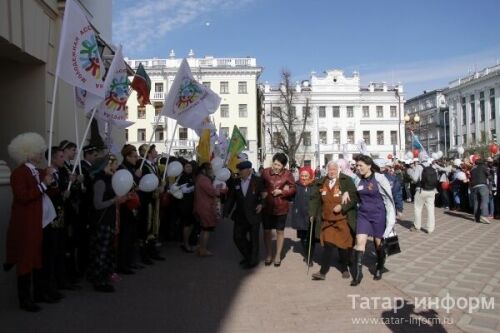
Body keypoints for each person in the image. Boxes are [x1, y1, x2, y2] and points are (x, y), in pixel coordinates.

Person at [4, 132, 54, 312]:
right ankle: (24, 299)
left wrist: (52, 179)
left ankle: (39, 293)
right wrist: (44, 184)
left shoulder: (37, 171)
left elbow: (48, 191)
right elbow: (23, 196)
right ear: (27, 153)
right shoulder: (19, 173)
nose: (41, 154)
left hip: (38, 220)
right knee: (26, 259)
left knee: (37, 258)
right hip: (26, 222)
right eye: (38, 151)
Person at [349, 155, 395, 286]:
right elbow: (354, 194)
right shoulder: (357, 179)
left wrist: (391, 217)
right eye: (357, 166)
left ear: (369, 166)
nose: (358, 168)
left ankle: (379, 267)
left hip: (378, 214)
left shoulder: (380, 178)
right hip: (363, 214)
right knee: (360, 241)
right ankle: (358, 274)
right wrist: (347, 193)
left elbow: (389, 197)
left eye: (360, 166)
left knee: (378, 243)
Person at [309, 160, 358, 280]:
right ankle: (322, 272)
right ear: (326, 170)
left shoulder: (346, 181)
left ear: (338, 170)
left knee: (343, 246)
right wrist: (312, 213)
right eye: (329, 169)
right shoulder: (321, 182)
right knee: (328, 245)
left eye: (334, 169)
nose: (332, 172)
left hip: (342, 219)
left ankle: (344, 268)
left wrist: (342, 206)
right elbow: (315, 199)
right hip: (327, 220)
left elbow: (354, 197)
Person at [87, 155, 130, 292]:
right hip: (101, 221)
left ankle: (102, 276)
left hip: (109, 219)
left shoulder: (109, 179)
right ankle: (98, 281)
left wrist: (122, 199)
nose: (115, 167)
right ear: (105, 165)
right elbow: (98, 204)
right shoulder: (100, 181)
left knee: (107, 251)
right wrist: (114, 200)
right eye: (112, 164)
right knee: (101, 251)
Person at [224, 161, 265, 269]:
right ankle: (249, 256)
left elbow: (265, 195)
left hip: (254, 215)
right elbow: (231, 198)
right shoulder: (236, 182)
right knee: (237, 237)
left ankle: (252, 261)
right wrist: (226, 211)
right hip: (240, 216)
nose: (239, 172)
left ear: (249, 170)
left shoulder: (258, 181)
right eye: (239, 170)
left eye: (241, 170)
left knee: (254, 240)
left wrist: (262, 204)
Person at [261, 153, 296, 266]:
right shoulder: (265, 172)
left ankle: (278, 255)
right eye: (274, 164)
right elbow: (259, 185)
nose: (275, 167)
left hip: (281, 206)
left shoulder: (288, 174)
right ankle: (268, 254)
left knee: (280, 231)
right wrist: (263, 192)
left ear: (283, 166)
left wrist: (282, 192)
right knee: (266, 231)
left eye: (279, 165)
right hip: (267, 206)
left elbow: (293, 188)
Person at [116, 144, 141, 274]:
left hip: (132, 205)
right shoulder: (122, 169)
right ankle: (122, 264)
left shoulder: (131, 168)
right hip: (125, 207)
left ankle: (129, 261)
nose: (137, 159)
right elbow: (129, 186)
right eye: (134, 156)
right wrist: (136, 177)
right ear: (127, 157)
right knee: (125, 237)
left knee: (132, 236)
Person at [193, 162, 226, 256]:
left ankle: (200, 248)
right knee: (206, 229)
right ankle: (203, 250)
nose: (212, 170)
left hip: (202, 205)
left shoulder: (200, 178)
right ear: (204, 170)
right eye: (210, 169)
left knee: (203, 229)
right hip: (205, 206)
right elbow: (212, 192)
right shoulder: (203, 179)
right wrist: (223, 189)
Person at [290, 166, 316, 267]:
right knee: (303, 237)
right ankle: (306, 254)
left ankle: (309, 257)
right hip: (300, 214)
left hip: (311, 215)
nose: (304, 178)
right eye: (302, 176)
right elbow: (290, 196)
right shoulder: (296, 185)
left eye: (306, 176)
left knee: (311, 238)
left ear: (310, 175)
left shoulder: (315, 185)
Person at [410, 157, 438, 233]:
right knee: (431, 210)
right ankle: (430, 229)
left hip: (421, 190)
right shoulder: (433, 166)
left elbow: (415, 179)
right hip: (432, 190)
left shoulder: (419, 166)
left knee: (418, 208)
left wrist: (412, 171)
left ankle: (417, 226)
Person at [176, 161, 197, 252]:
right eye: (187, 166)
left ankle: (187, 241)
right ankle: (186, 244)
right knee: (186, 224)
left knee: (191, 223)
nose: (189, 168)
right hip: (185, 204)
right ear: (183, 168)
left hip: (191, 203)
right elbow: (183, 190)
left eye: (190, 166)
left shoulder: (192, 176)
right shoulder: (182, 177)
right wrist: (195, 187)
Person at [470, 158, 492, 224]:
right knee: (484, 201)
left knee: (476, 202)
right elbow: (489, 176)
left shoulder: (472, 169)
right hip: (482, 186)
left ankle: (476, 217)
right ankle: (484, 216)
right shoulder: (484, 167)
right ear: (482, 163)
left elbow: (471, 178)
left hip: (474, 186)